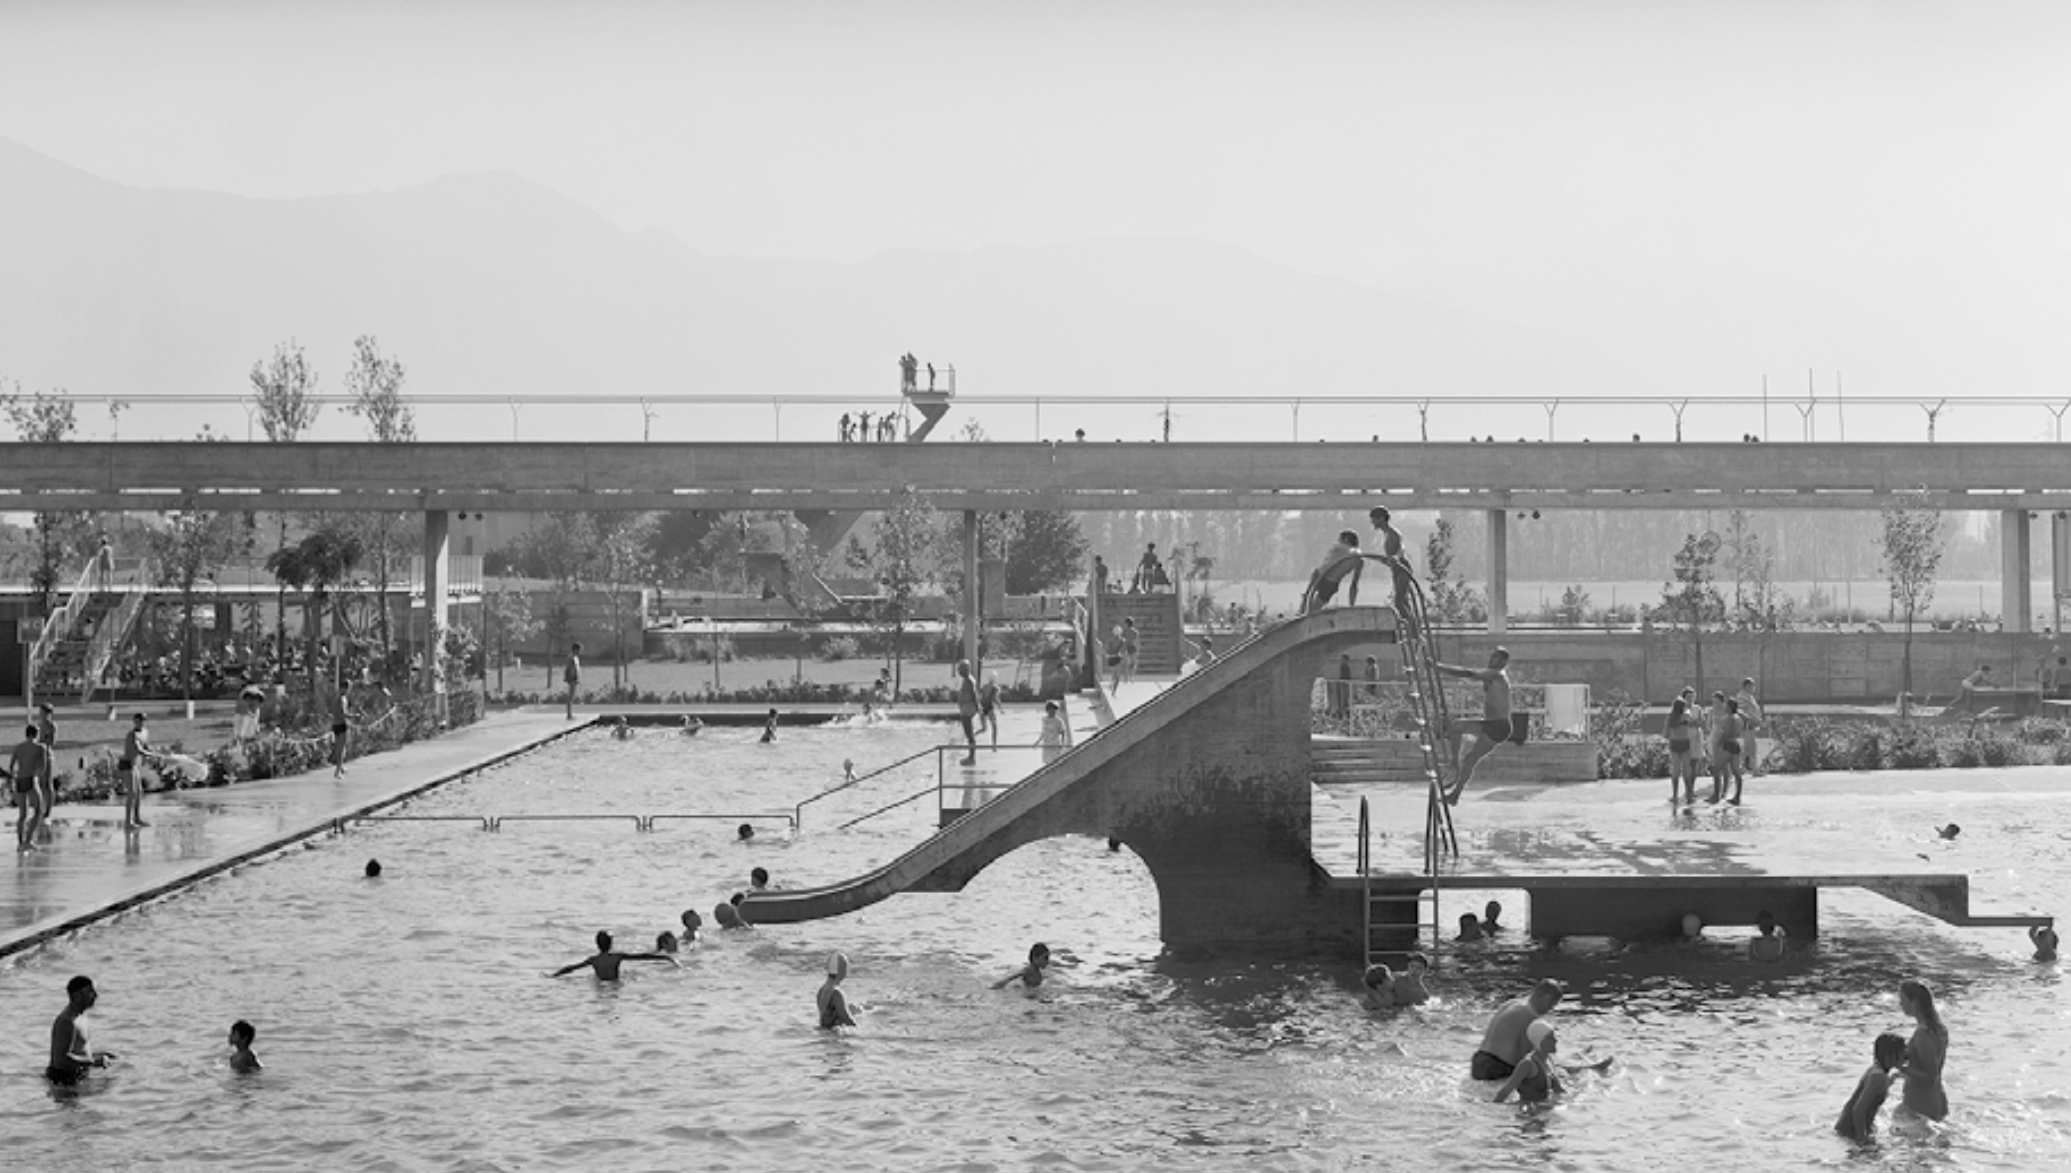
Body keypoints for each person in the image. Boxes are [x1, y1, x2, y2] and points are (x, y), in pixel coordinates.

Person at [1435, 648, 1514, 803]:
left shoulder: (1497, 675)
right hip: (1490, 723)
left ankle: (1455, 794)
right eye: (1492, 657)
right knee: (1456, 726)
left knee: (1470, 759)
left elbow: (1467, 673)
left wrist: (1440, 668)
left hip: (1499, 727)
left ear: (1503, 662)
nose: (1491, 661)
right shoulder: (1490, 674)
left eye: (1496, 659)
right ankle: (1455, 766)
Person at [1472, 979, 1563, 1082]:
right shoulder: (1530, 1019)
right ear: (1546, 999)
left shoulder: (1512, 1004)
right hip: (1497, 1069)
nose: (1550, 1010)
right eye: (1552, 1006)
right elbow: (1529, 1058)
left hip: (1478, 1062)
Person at [1836, 1033, 1908, 1141]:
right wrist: (1862, 1139)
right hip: (1850, 1131)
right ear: (1890, 1055)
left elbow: (1876, 1091)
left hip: (1849, 1128)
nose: (1906, 1057)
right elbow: (1858, 1110)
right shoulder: (1878, 1076)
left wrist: (1893, 1078)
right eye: (1903, 1053)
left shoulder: (1876, 1070)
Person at [1896, 978, 1949, 1120]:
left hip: (1920, 1102)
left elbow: (1929, 1076)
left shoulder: (1923, 1034)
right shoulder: (1939, 1029)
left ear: (1915, 1003)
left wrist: (1900, 1067)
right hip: (1935, 1098)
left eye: (1903, 999)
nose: (1900, 1004)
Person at [48, 975, 113, 1086]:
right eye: (91, 992)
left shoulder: (81, 1016)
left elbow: (77, 1051)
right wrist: (94, 1062)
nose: (96, 996)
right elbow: (61, 1060)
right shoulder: (67, 1021)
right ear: (78, 995)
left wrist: (97, 1056)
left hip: (78, 1077)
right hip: (64, 1080)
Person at [1367, 508, 1416, 635]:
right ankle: (1414, 630)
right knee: (1404, 602)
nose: (1372, 522)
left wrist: (1396, 557)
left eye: (1373, 519)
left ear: (1381, 519)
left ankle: (1414, 632)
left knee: (1399, 602)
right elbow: (1387, 559)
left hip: (1402, 569)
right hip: (1396, 570)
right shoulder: (1386, 534)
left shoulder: (1394, 533)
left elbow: (1401, 549)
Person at [550, 931, 673, 980]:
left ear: (597, 944)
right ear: (611, 944)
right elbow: (642, 956)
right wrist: (665, 957)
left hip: (600, 986)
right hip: (615, 985)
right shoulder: (616, 957)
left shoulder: (593, 960)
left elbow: (571, 968)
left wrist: (554, 975)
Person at [1493, 1020, 1563, 1106]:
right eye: (1550, 1038)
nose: (1556, 1040)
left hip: (1542, 1112)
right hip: (1527, 1115)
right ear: (1540, 1040)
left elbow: (1559, 1091)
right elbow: (1506, 1091)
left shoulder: (1548, 1062)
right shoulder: (1528, 1065)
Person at [1302, 530, 1363, 614]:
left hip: (1329, 582)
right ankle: (1302, 613)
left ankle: (1308, 615)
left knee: (1313, 609)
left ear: (1346, 539)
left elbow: (1354, 585)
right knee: (1307, 601)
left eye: (1339, 539)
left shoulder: (1352, 554)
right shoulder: (1340, 549)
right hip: (1320, 575)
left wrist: (1351, 606)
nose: (1338, 541)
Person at [11, 724, 48, 851]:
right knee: (39, 810)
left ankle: (20, 843)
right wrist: (36, 775)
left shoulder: (18, 747)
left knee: (22, 814)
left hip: (19, 780)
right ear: (36, 734)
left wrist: (14, 778)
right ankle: (28, 839)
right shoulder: (40, 747)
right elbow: (43, 768)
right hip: (31, 779)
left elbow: (12, 766)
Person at [993, 942, 1078, 990]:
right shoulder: (1028, 970)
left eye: (1048, 958)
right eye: (1045, 958)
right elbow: (1015, 976)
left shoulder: (1040, 971)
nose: (1047, 961)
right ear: (1035, 958)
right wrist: (1001, 983)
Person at [1665, 696, 1700, 805]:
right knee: (1686, 771)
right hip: (1685, 743)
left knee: (1675, 771)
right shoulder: (1686, 715)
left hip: (1674, 744)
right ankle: (1689, 796)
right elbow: (1691, 718)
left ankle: (1675, 795)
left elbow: (1665, 734)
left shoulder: (1670, 718)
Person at [1713, 696, 1748, 805]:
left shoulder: (1730, 718)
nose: (1724, 707)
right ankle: (1737, 796)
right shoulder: (1739, 718)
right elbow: (1740, 731)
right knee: (1736, 772)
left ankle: (1716, 795)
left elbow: (1726, 733)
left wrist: (1719, 742)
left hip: (1728, 744)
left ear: (1729, 707)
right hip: (1736, 744)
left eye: (1726, 705)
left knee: (1716, 769)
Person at [121, 712, 151, 828]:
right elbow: (139, 749)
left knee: (139, 793)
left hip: (135, 765)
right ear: (135, 722)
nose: (141, 723)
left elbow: (146, 747)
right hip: (127, 764)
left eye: (143, 720)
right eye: (139, 721)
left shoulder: (145, 732)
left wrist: (157, 752)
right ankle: (128, 822)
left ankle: (137, 818)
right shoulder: (131, 734)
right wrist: (151, 754)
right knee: (132, 793)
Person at [33, 702, 56, 835]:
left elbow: (51, 742)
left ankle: (48, 811)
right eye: (40, 712)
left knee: (47, 784)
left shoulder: (51, 726)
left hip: (47, 755)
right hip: (38, 756)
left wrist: (42, 742)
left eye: (44, 712)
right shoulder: (38, 725)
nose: (41, 715)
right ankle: (40, 809)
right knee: (39, 784)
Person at [818, 952, 858, 1028]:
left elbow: (829, 1013)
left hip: (824, 1034)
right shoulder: (836, 993)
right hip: (833, 1037)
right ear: (842, 970)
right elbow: (847, 1020)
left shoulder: (822, 990)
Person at [1733, 678, 1765, 773]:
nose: (1751, 688)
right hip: (1747, 725)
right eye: (1749, 686)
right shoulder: (1741, 696)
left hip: (1752, 724)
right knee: (1750, 748)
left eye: (1752, 686)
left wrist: (1758, 720)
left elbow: (1753, 710)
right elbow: (1740, 710)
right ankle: (1739, 767)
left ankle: (1751, 768)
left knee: (1750, 748)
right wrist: (1750, 719)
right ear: (1744, 686)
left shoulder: (1749, 696)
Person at [953, 660, 980, 765]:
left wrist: (976, 706)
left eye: (960, 670)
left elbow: (973, 694)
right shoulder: (966, 680)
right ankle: (971, 756)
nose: (959, 672)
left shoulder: (969, 680)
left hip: (968, 708)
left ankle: (972, 757)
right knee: (968, 733)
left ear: (965, 670)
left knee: (969, 733)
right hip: (966, 708)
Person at [1038, 700, 1073, 764]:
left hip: (1055, 745)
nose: (1053, 712)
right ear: (1048, 710)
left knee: (1054, 762)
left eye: (1054, 710)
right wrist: (1038, 741)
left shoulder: (1059, 721)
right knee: (1047, 763)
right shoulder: (1044, 720)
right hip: (1046, 745)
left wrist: (1062, 744)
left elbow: (1063, 733)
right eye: (1051, 710)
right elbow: (1044, 732)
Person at [978, 671, 1001, 749]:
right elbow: (995, 699)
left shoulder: (984, 687)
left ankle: (973, 737)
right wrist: (1000, 708)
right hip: (990, 709)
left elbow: (980, 698)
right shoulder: (995, 688)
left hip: (984, 709)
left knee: (984, 729)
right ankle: (994, 745)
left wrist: (979, 707)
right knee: (994, 727)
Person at [563, 641, 583, 720]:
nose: (580, 652)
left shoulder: (575, 658)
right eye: (579, 650)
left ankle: (570, 713)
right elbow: (568, 669)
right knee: (570, 696)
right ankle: (569, 714)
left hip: (575, 679)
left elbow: (576, 669)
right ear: (575, 649)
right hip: (572, 679)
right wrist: (568, 678)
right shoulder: (571, 658)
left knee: (572, 696)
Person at [1120, 618, 1139, 685]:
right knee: (1133, 663)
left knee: (1126, 663)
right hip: (1132, 647)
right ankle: (1132, 676)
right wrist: (1137, 649)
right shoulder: (1135, 631)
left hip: (1126, 647)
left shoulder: (1124, 631)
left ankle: (1126, 678)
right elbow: (1136, 641)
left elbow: (1122, 640)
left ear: (1126, 623)